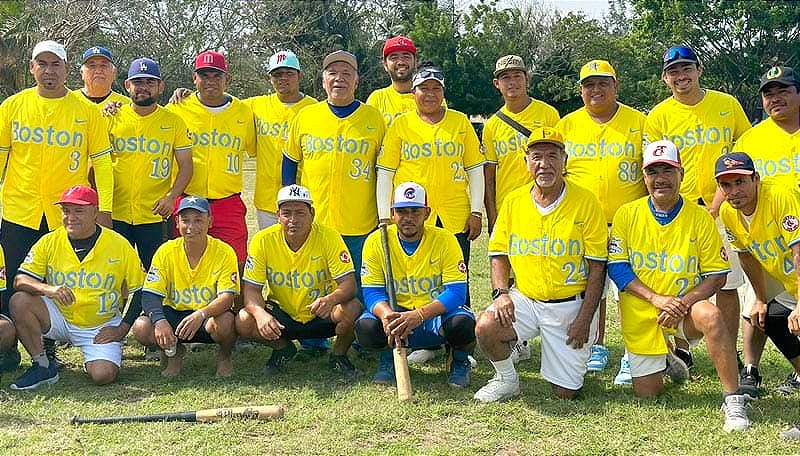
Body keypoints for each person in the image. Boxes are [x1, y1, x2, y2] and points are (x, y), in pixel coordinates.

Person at [607, 140, 749, 432]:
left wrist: (681, 303)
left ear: (681, 174)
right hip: (644, 311)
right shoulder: (626, 213)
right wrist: (658, 299)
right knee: (647, 394)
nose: (661, 179)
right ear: (644, 176)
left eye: (668, 171)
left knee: (711, 315)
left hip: (684, 308)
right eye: (653, 171)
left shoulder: (700, 217)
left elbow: (716, 275)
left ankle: (733, 399)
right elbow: (618, 268)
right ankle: (666, 356)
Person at [0, 40, 114, 372]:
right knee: (17, 281)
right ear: (32, 68)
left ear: (67, 69)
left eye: (56, 64)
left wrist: (103, 210)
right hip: (20, 210)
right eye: (42, 64)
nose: (49, 71)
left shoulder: (86, 111)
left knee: (56, 280)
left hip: (66, 213)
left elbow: (102, 165)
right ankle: (10, 349)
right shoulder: (12, 106)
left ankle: (48, 348)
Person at [473, 127, 607, 401]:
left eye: (552, 156)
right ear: (526, 163)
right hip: (527, 299)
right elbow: (498, 253)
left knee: (565, 393)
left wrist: (585, 319)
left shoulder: (586, 201)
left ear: (565, 160)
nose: (544, 164)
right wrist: (501, 294)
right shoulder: (514, 201)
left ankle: (560, 355)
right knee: (486, 326)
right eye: (536, 157)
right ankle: (506, 379)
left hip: (570, 306)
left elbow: (597, 267)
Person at [646, 44, 751, 371]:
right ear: (666, 78)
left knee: (729, 283)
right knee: (678, 280)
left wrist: (720, 203)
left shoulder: (726, 104)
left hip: (726, 208)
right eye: (673, 71)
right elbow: (655, 168)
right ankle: (681, 348)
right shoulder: (659, 115)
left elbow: (746, 149)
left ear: (699, 70)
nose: (681, 76)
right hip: (680, 210)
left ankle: (728, 349)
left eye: (686, 68)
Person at [557, 59, 648, 378]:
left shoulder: (639, 121)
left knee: (629, 289)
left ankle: (632, 351)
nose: (596, 90)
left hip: (629, 221)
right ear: (581, 90)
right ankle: (596, 345)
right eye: (589, 84)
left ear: (615, 85)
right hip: (583, 221)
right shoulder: (567, 124)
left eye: (603, 83)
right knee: (590, 286)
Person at [8, 186, 144, 390]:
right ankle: (43, 366)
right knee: (19, 300)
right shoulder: (50, 240)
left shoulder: (119, 244)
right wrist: (48, 289)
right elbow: (20, 280)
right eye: (66, 211)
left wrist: (121, 329)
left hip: (99, 323)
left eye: (78, 211)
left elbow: (140, 290)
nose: (70, 217)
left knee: (102, 375)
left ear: (95, 212)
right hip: (60, 316)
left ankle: (100, 355)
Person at [282, 50, 385, 303]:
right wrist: (294, 207)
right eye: (333, 73)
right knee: (314, 283)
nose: (339, 78)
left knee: (361, 282)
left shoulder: (374, 118)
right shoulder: (305, 116)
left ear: (356, 81)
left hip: (359, 220)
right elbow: (290, 164)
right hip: (316, 219)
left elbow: (384, 171)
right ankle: (314, 340)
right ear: (323, 79)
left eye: (347, 73)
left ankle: (363, 336)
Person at [246, 50, 327, 360]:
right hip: (268, 202)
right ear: (270, 79)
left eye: (288, 73)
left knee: (311, 266)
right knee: (276, 267)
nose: (283, 79)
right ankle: (275, 326)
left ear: (300, 76)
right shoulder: (255, 106)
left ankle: (314, 336)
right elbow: (219, 105)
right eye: (277, 74)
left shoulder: (315, 109)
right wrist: (183, 95)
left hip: (305, 202)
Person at [355, 182, 475, 387]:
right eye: (401, 211)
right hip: (397, 313)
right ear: (393, 213)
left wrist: (419, 315)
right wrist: (387, 316)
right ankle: (388, 359)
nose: (408, 218)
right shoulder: (376, 241)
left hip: (435, 315)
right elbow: (372, 292)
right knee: (366, 327)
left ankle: (460, 360)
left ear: (427, 213)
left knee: (464, 324)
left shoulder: (445, 239)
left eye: (415, 211)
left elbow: (456, 293)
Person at [481, 54, 560, 365]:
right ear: (497, 84)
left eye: (518, 76)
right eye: (506, 78)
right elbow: (490, 175)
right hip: (510, 209)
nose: (512, 82)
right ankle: (516, 338)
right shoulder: (492, 125)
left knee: (540, 268)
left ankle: (547, 330)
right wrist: (492, 214)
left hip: (546, 206)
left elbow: (558, 161)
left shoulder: (548, 113)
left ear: (527, 79)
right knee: (508, 274)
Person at [236, 185, 362, 380]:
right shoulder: (263, 240)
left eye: (300, 213)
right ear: (278, 215)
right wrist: (260, 314)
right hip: (282, 314)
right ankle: (283, 349)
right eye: (287, 213)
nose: (293, 220)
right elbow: (251, 290)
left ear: (312, 213)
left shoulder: (329, 236)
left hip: (320, 310)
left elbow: (349, 284)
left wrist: (330, 299)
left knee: (353, 308)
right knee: (244, 319)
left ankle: (338, 355)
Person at [732, 65, 800, 395]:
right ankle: (750, 369)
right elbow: (731, 180)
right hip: (769, 235)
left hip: (796, 237)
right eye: (768, 93)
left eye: (783, 90)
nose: (775, 98)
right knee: (760, 305)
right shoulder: (752, 139)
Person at [376, 64, 484, 274]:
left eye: (436, 89)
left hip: (454, 216)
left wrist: (477, 212)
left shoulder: (460, 121)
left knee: (456, 275)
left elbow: (475, 169)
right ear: (413, 92)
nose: (430, 94)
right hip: (410, 215)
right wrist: (384, 218)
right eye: (424, 88)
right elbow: (386, 174)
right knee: (415, 276)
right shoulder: (401, 125)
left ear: (443, 92)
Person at [715, 152, 800, 400]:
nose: (733, 191)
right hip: (789, 283)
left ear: (756, 178)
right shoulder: (729, 213)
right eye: (726, 185)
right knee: (769, 317)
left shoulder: (778, 196)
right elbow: (747, 257)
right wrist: (761, 299)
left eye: (740, 182)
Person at [167, 50, 256, 266]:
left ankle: (240, 302)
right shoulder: (177, 108)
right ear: (194, 78)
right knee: (183, 263)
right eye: (205, 75)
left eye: (217, 76)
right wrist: (115, 107)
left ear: (228, 79)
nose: (211, 81)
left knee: (237, 262)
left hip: (227, 202)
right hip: (187, 201)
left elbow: (255, 149)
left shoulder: (244, 112)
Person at [132, 196, 238, 378]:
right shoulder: (166, 251)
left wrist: (201, 314)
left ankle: (224, 357)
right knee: (142, 327)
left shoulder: (224, 251)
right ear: (177, 222)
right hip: (174, 315)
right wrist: (159, 321)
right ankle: (175, 351)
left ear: (210, 222)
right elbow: (150, 294)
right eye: (185, 220)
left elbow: (227, 298)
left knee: (227, 321)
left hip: (206, 316)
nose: (191, 227)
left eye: (198, 220)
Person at [366, 36, 422, 127]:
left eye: (406, 56)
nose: (400, 62)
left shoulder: (429, 97)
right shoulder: (376, 99)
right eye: (394, 57)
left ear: (415, 62)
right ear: (385, 65)